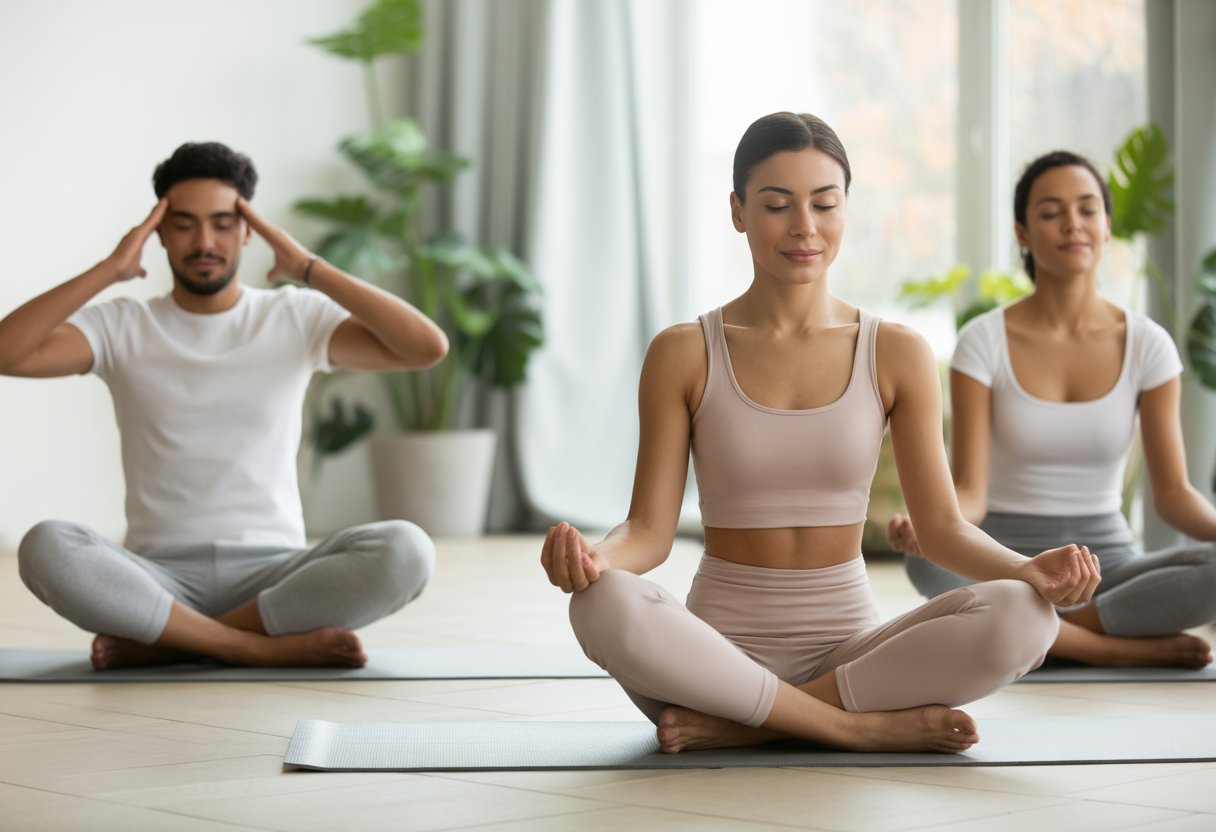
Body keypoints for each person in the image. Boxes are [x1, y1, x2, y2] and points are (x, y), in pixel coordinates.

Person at [540, 113, 1101, 755]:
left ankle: (751, 726)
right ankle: (849, 728)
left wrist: (1027, 569)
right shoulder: (684, 351)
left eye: (824, 204)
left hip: (852, 657)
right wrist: (597, 560)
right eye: (777, 205)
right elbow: (648, 530)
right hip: (712, 659)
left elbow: (943, 528)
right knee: (598, 603)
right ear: (738, 211)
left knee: (1026, 614)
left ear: (845, 210)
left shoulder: (896, 352)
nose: (804, 226)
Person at [1, 142, 448, 670]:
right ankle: (251, 647)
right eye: (184, 225)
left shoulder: (294, 317)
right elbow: (9, 352)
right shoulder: (121, 325)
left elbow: (425, 348)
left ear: (248, 230)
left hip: (276, 576)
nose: (204, 242)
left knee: (407, 549)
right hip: (157, 579)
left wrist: (308, 268)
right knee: (45, 545)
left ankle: (172, 643)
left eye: (222, 223)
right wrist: (109, 269)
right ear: (159, 234)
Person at [889, 150, 1216, 669]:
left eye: (1087, 209)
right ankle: (1109, 648)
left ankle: (1043, 630)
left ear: (1107, 227)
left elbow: (1174, 496)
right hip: (1006, 563)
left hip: (1108, 564)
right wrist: (927, 525)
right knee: (926, 563)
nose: (1072, 224)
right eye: (1050, 212)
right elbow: (970, 492)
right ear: (1022, 233)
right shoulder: (983, 341)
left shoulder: (1148, 345)